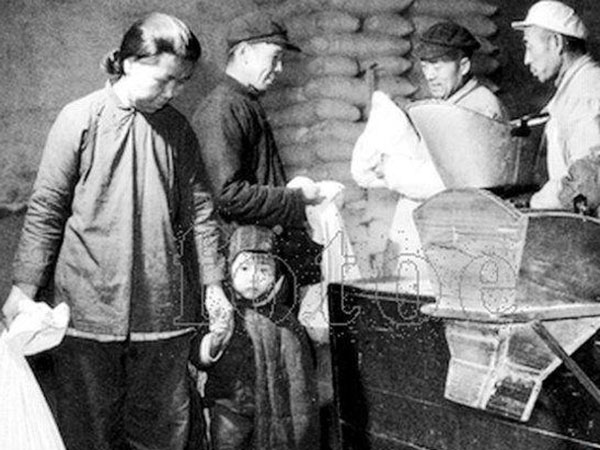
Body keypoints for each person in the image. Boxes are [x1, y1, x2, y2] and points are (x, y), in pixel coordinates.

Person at [1, 12, 228, 450]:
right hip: (86, 316)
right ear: (127, 63)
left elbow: (201, 213)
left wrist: (214, 287)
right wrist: (23, 289)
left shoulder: (178, 130)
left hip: (161, 315)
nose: (173, 92)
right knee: (88, 436)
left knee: (163, 436)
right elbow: (47, 209)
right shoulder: (79, 119)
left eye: (181, 82)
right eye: (164, 80)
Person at [351, 21, 509, 284]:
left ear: (464, 66)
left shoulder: (477, 109)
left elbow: (450, 181)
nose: (430, 75)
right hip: (439, 230)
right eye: (425, 66)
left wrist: (390, 170)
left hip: (461, 237)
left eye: (438, 66)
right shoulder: (451, 104)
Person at [192, 12, 325, 302]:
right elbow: (227, 196)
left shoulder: (244, 104)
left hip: (259, 258)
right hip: (242, 265)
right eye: (274, 58)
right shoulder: (222, 110)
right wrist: (296, 199)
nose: (279, 68)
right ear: (243, 53)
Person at [196, 225, 320, 450]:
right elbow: (199, 358)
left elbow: (300, 380)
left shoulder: (284, 320)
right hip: (230, 410)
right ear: (228, 270)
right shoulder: (224, 313)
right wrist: (215, 340)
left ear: (276, 276)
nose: (253, 277)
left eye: (263, 270)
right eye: (244, 268)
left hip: (276, 413)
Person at [511, 0, 600, 210]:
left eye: (529, 46)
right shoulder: (576, 88)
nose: (526, 59)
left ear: (556, 43)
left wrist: (534, 203)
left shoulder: (585, 92)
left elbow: (589, 182)